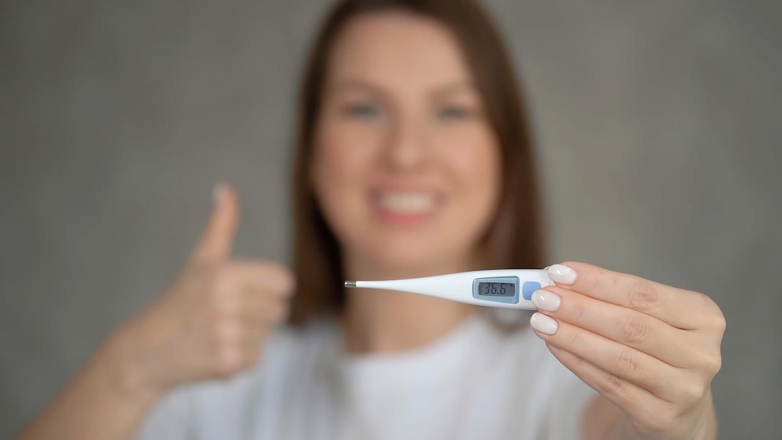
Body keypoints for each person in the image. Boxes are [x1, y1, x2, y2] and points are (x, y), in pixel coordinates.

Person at [17, 0, 725, 439]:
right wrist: (129, 369)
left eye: (452, 110)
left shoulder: (566, 382)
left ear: (506, 154)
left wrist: (679, 421)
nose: (406, 152)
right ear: (310, 150)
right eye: (363, 108)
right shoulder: (220, 386)